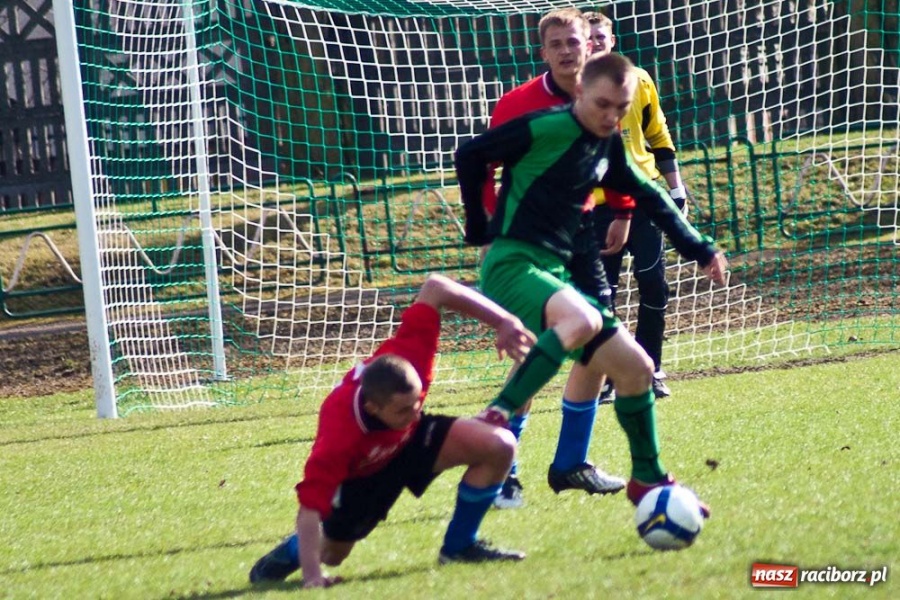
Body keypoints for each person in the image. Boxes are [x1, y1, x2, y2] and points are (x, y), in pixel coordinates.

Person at [456, 52, 728, 515]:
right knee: (579, 320)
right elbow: (470, 154)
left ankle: (646, 478)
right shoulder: (543, 126)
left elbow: (650, 195)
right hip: (514, 262)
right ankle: (496, 419)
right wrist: (480, 228)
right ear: (579, 91)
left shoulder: (607, 144)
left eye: (621, 108)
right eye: (603, 104)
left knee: (636, 370)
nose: (612, 116)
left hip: (557, 270)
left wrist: (701, 248)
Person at [248, 274, 535, 588]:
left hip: (409, 442)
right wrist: (313, 576)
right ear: (373, 408)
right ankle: (290, 552)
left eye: (417, 402)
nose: (414, 412)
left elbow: (436, 287)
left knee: (499, 445)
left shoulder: (411, 355)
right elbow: (309, 508)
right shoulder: (340, 434)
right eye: (403, 409)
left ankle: (460, 547)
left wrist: (505, 320)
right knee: (333, 553)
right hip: (363, 474)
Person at [480, 8, 628, 510]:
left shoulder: (601, 98)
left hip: (582, 236)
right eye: (557, 44)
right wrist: (487, 228)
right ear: (543, 52)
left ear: (591, 46)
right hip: (527, 243)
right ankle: (503, 469)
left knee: (597, 341)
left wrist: (622, 212)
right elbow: (481, 163)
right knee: (532, 352)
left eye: (575, 42)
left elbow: (617, 162)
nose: (568, 51)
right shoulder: (517, 104)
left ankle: (570, 464)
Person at [586, 11, 690, 400]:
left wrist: (675, 188)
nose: (595, 42)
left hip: (643, 197)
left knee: (653, 284)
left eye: (601, 36)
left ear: (612, 40)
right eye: (589, 36)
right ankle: (611, 377)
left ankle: (652, 370)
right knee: (602, 294)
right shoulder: (573, 89)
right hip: (595, 205)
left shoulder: (639, 80)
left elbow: (658, 135)